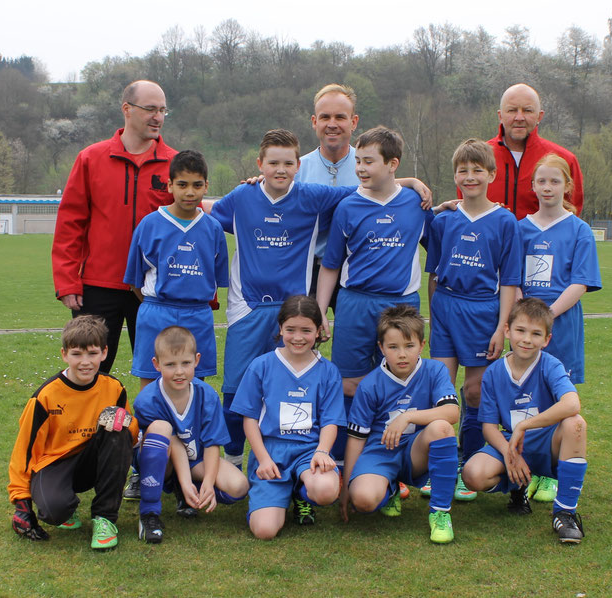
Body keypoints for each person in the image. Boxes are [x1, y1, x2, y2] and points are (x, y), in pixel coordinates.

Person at [207, 129, 430, 470]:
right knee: (237, 388)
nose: (280, 170)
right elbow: (206, 211)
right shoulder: (241, 196)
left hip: (294, 310)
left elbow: (368, 187)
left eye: (287, 163)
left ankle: (309, 457)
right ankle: (235, 458)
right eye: (272, 163)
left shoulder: (312, 196)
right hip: (246, 307)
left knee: (296, 386)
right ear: (259, 164)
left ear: (299, 165)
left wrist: (410, 181)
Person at [316, 126, 435, 476]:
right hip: (355, 303)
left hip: (402, 304)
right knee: (349, 382)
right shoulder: (348, 206)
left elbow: (438, 245)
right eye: (358, 161)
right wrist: (322, 311)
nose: (361, 168)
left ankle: (398, 463)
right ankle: (341, 463)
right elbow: (331, 266)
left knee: (400, 380)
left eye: (369, 161)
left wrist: (446, 204)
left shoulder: (417, 202)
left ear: (392, 163)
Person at [52, 80, 176, 374]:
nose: (157, 117)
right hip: (97, 287)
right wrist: (67, 281)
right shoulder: (91, 158)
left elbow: (193, 219)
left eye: (162, 110)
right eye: (150, 109)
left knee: (160, 371)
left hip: (152, 289)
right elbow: (70, 223)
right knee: (89, 368)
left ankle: (156, 423)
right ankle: (86, 422)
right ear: (127, 110)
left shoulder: (175, 163)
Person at [425, 138, 522, 501]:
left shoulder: (505, 221)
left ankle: (470, 461)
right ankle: (440, 469)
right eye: (463, 171)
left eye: (477, 170)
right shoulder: (444, 219)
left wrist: (502, 327)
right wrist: (435, 315)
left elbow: (510, 279)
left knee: (475, 391)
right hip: (446, 308)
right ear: (455, 176)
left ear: (492, 174)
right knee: (441, 392)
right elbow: (432, 273)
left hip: (483, 311)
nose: (470, 177)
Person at [461, 298, 589, 544]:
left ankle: (564, 513)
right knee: (472, 474)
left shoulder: (550, 365)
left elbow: (572, 403)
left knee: (575, 423)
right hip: (513, 442)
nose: (527, 339)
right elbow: (488, 427)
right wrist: (510, 452)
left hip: (547, 441)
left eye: (536, 333)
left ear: (547, 339)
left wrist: (524, 425)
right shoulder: (494, 373)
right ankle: (517, 486)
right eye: (520, 330)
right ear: (507, 330)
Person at [7, 315, 139, 550]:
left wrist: (130, 427)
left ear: (104, 353)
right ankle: (66, 506)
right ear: (64, 354)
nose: (85, 362)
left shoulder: (114, 388)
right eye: (77, 354)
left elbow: (130, 434)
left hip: (92, 460)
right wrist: (21, 502)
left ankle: (105, 518)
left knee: (118, 431)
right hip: (56, 462)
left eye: (92, 353)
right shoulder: (45, 396)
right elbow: (24, 450)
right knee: (53, 511)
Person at [517, 154, 601, 504]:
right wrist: (525, 317)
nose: (547, 187)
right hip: (524, 326)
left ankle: (552, 471)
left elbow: (580, 281)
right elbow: (511, 278)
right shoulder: (520, 227)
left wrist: (545, 316)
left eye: (555, 181)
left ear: (567, 186)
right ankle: (529, 465)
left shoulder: (579, 230)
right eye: (541, 181)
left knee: (558, 397)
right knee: (526, 395)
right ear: (533, 186)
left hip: (560, 325)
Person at [230, 296, 346, 539]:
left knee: (325, 491)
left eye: (306, 330)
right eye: (290, 329)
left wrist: (322, 451)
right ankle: (282, 492)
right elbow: (249, 418)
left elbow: (331, 421)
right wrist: (262, 459)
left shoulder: (328, 371)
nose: (298, 337)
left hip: (309, 451)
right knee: (264, 531)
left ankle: (302, 491)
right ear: (280, 327)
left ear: (318, 331)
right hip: (272, 453)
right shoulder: (261, 366)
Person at [342, 305, 460, 544]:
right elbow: (356, 439)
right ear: (381, 348)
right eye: (393, 347)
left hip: (415, 452)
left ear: (422, 345)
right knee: (363, 500)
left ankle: (440, 512)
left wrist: (406, 417)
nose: (402, 354)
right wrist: (346, 489)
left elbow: (452, 412)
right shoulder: (370, 384)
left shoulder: (435, 370)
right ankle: (390, 487)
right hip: (381, 453)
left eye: (409, 346)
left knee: (442, 428)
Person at [132, 326, 248, 544]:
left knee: (239, 486)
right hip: (163, 461)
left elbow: (213, 443)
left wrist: (209, 483)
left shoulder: (207, 395)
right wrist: (185, 481)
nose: (179, 372)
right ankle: (149, 514)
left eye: (185, 363)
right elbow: (173, 444)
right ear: (156, 364)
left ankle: (195, 493)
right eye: (170, 364)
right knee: (161, 428)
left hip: (195, 460)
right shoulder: (147, 399)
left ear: (196, 360)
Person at [124, 150, 229, 389]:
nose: (190, 192)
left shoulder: (213, 229)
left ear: (206, 186)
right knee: (151, 381)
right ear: (170, 185)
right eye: (182, 184)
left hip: (197, 315)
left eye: (196, 185)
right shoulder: (149, 224)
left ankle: (191, 427)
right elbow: (134, 282)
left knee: (195, 383)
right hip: (157, 312)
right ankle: (149, 427)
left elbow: (216, 281)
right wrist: (158, 304)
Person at [295, 83, 360, 305]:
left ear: (354, 122)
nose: (332, 124)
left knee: (355, 340)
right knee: (299, 338)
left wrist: (412, 183)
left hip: (355, 270)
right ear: (315, 122)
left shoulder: (369, 166)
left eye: (340, 117)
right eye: (325, 117)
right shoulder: (296, 169)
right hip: (306, 270)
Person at [486, 83, 583, 219]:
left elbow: (572, 214)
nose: (519, 117)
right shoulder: (479, 158)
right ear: (500, 115)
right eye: (512, 110)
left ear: (539, 116)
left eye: (527, 111)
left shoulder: (564, 160)